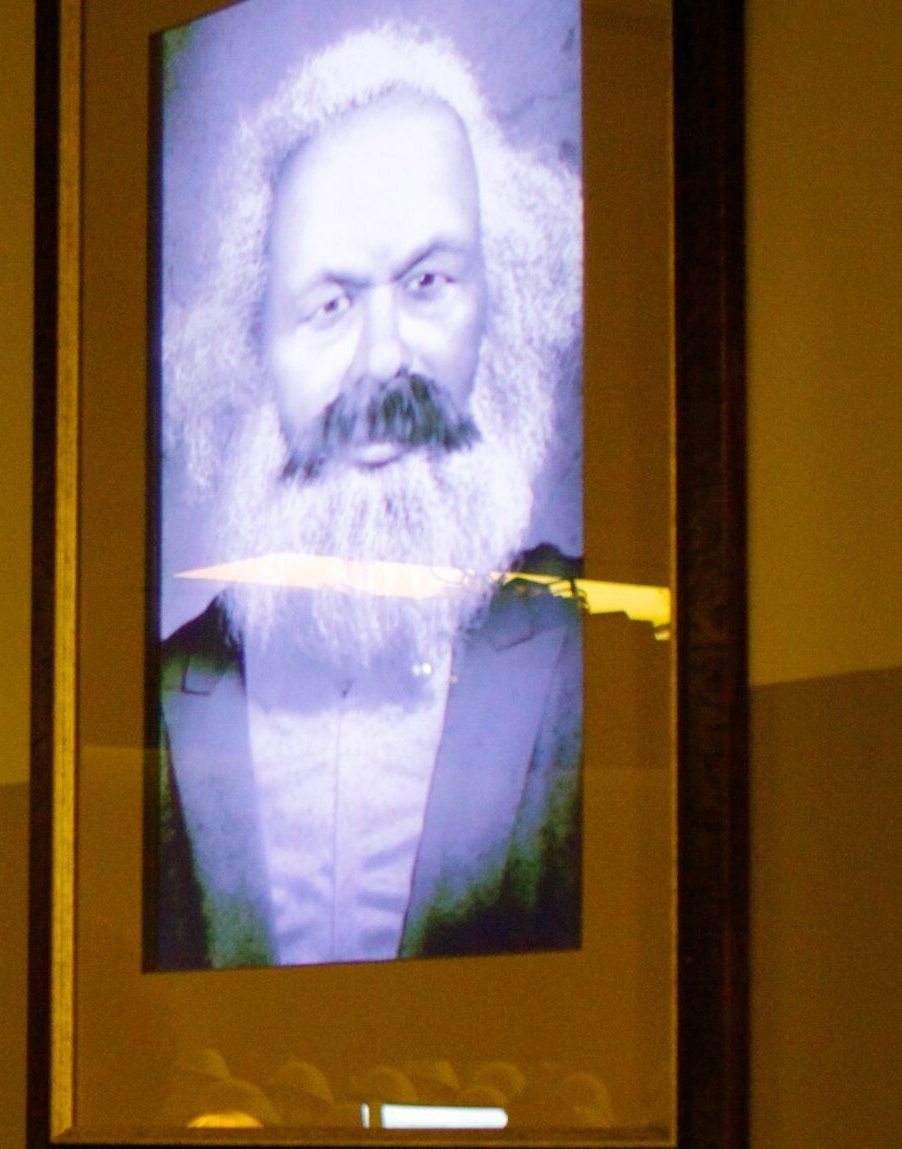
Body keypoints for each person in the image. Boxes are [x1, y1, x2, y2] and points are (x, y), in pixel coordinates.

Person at [149, 24, 589, 971]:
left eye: (429, 281)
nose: (385, 358)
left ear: (496, 306)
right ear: (251, 349)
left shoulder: (599, 662)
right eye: (332, 304)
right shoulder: (150, 711)